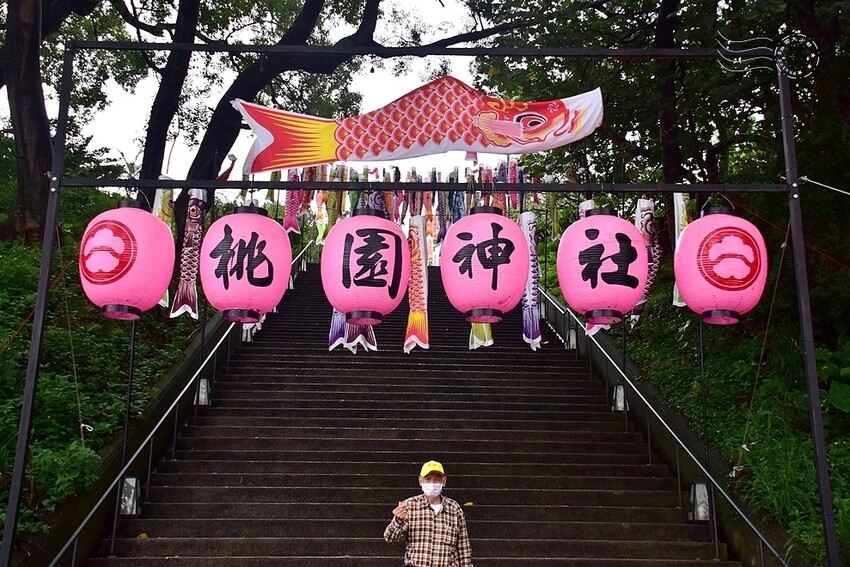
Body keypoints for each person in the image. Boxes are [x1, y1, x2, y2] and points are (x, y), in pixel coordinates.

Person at [384, 460, 474, 567]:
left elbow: (463, 548)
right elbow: (390, 538)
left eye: (436, 480)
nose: (432, 483)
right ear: (420, 480)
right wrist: (398, 521)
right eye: (428, 479)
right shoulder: (409, 506)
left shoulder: (454, 509)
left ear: (444, 481)